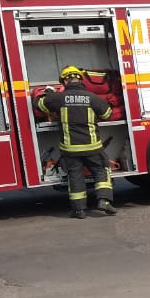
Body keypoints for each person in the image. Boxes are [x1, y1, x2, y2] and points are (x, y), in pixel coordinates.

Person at [35, 66, 117, 219]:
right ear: (79, 79)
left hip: (70, 149)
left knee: (75, 176)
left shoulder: (59, 98)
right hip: (93, 147)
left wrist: (48, 93)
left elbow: (39, 105)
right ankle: (104, 201)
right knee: (101, 170)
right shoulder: (92, 97)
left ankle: (79, 210)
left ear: (65, 80)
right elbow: (107, 114)